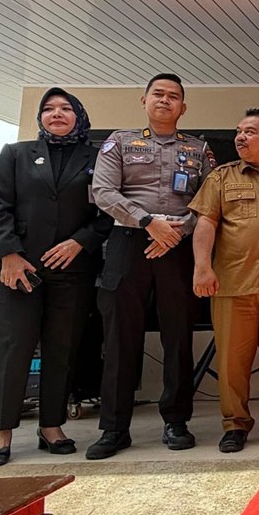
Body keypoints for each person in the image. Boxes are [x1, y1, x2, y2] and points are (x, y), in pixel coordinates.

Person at [87, 73, 216, 459]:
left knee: (178, 337)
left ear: (183, 107)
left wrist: (177, 232)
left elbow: (210, 199)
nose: (165, 100)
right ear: (143, 100)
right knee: (120, 339)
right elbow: (103, 191)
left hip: (178, 247)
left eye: (173, 96)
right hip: (129, 243)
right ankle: (114, 428)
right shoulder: (120, 142)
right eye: (158, 94)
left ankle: (176, 421)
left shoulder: (199, 149)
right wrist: (148, 223)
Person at [0, 88, 110, 466]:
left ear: (79, 117)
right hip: (20, 268)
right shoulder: (15, 154)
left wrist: (80, 242)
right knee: (13, 346)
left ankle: (51, 425)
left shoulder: (97, 158)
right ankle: (1, 429)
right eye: (49, 109)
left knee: (62, 347)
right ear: (40, 118)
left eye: (66, 108)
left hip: (72, 268)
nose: (57, 114)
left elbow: (107, 212)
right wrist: (9, 253)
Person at [191, 109, 259, 453]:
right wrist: (202, 267)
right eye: (238, 131)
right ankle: (235, 425)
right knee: (232, 363)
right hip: (233, 285)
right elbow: (206, 223)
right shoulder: (222, 178)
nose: (240, 137)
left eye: (250, 131)